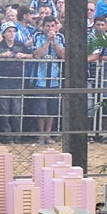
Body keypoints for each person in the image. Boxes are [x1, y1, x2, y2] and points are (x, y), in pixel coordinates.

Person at [32, 15, 65, 143]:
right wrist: (47, 42)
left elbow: (63, 55)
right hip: (40, 79)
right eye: (47, 26)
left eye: (52, 26)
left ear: (56, 27)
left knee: (52, 109)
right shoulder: (37, 37)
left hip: (55, 79)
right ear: (43, 27)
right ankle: (41, 134)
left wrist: (54, 41)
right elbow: (37, 55)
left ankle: (48, 134)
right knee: (41, 108)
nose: (50, 28)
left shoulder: (61, 37)